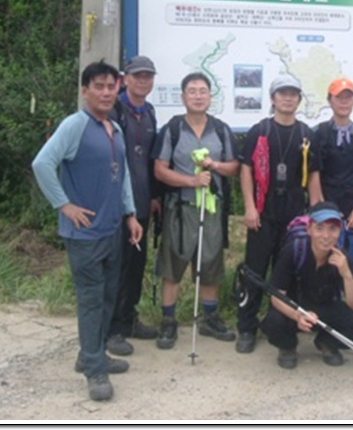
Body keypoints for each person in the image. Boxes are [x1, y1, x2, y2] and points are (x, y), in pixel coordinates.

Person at [32, 60, 143, 402]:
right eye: (99, 86)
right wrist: (63, 204)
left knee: (108, 296)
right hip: (84, 234)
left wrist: (131, 214)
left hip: (112, 228)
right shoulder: (74, 125)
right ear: (85, 91)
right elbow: (42, 164)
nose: (107, 92)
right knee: (92, 300)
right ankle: (95, 370)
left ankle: (90, 354)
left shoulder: (115, 128)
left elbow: (121, 173)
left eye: (111, 86)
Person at [152, 72, 240, 349]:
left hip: (212, 209)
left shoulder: (221, 130)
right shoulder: (173, 129)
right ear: (183, 97)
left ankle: (210, 318)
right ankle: (168, 321)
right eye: (192, 91)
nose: (198, 96)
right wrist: (191, 180)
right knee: (172, 265)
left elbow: (234, 167)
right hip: (180, 208)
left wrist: (214, 166)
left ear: (210, 96)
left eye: (203, 91)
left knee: (210, 263)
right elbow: (160, 170)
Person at [236, 74, 322, 354]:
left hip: (295, 215)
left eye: (293, 94)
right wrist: (249, 207)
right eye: (282, 93)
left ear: (299, 99)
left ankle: (287, 327)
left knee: (290, 273)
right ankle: (246, 327)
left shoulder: (306, 134)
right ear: (273, 98)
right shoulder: (259, 131)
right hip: (264, 212)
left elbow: (313, 178)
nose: (288, 98)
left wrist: (317, 216)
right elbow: (246, 169)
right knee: (254, 272)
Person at [261, 201, 353, 369]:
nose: (326, 236)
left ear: (339, 231)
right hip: (295, 306)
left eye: (332, 229)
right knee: (273, 321)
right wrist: (298, 316)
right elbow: (277, 296)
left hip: (325, 307)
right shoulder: (294, 250)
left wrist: (346, 273)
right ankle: (287, 346)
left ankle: (327, 342)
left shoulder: (342, 257)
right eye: (319, 228)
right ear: (309, 229)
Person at [106, 56, 161, 356]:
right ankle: (113, 329)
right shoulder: (115, 110)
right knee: (118, 265)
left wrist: (154, 197)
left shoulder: (149, 112)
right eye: (138, 76)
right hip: (117, 205)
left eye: (148, 76)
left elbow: (150, 160)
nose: (143, 81)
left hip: (142, 203)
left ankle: (129, 319)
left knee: (136, 265)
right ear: (125, 78)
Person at [314, 77, 353, 317]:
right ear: (330, 100)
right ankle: (325, 312)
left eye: (348, 97)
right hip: (327, 210)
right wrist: (322, 212)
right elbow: (314, 174)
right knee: (326, 262)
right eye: (339, 97)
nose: (344, 102)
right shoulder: (319, 133)